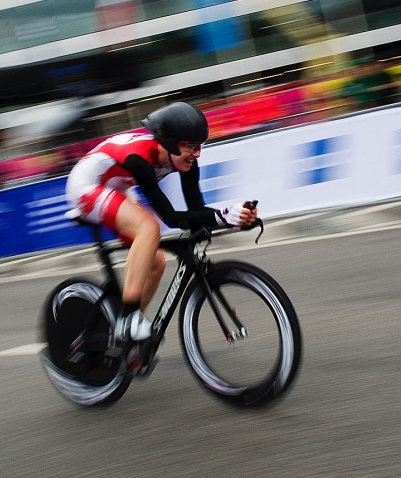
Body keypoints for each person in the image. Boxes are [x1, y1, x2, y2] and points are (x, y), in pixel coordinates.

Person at [65, 101, 257, 344]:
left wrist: (237, 218)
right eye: (191, 147)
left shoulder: (186, 161)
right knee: (149, 228)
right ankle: (128, 318)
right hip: (86, 184)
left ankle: (123, 334)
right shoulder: (139, 159)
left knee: (155, 262)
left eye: (200, 147)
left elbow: (195, 212)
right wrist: (221, 215)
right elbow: (172, 218)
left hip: (117, 186)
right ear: (168, 142)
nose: (197, 154)